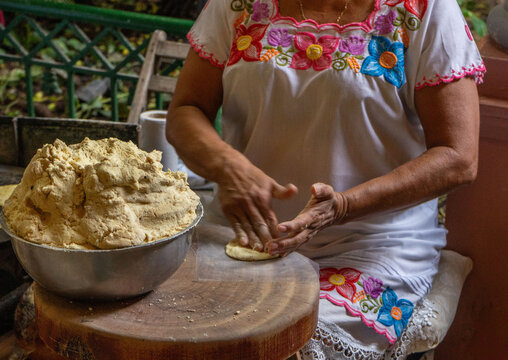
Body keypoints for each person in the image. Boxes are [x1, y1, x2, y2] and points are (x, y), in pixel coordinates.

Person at [166, 0, 484, 358]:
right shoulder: (236, 5)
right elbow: (185, 110)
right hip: (245, 233)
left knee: (285, 344)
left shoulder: (424, 9)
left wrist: (344, 206)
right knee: (170, 325)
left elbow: (458, 156)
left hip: (369, 246)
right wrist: (225, 165)